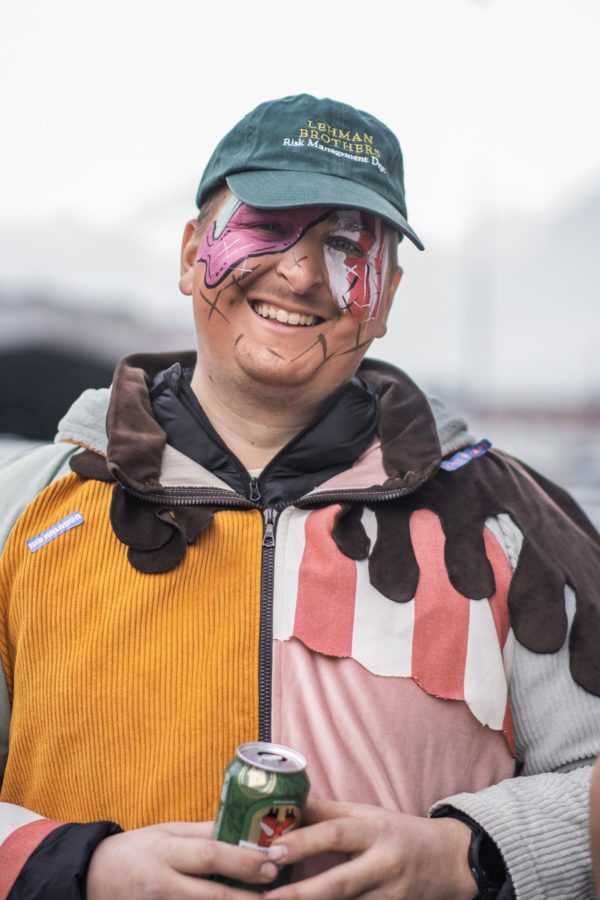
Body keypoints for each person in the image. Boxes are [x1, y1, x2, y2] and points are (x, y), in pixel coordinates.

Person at [1, 93, 599, 899]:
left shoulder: (512, 525)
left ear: (386, 296)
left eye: (348, 246)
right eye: (268, 224)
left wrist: (470, 855)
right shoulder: (25, 509)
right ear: (191, 252)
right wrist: (76, 869)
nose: (303, 273)